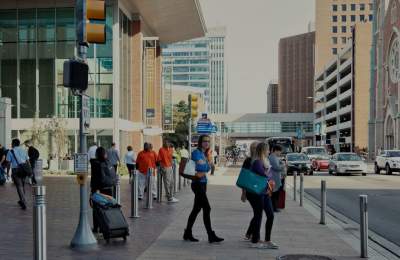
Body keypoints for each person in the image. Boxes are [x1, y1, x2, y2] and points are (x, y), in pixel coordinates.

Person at [183, 135, 224, 243]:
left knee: (196, 209)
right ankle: (210, 234)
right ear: (200, 142)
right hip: (197, 184)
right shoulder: (196, 153)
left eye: (208, 141)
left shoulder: (205, 154)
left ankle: (187, 233)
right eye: (204, 141)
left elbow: (208, 168)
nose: (206, 143)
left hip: (203, 183)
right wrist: (206, 165)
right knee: (207, 208)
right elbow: (203, 167)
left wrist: (207, 162)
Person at [247, 142, 278, 249]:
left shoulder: (265, 161)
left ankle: (267, 240)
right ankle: (254, 241)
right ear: (263, 150)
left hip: (264, 192)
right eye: (267, 149)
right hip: (256, 193)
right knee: (258, 215)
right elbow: (265, 175)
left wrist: (269, 174)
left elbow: (269, 174)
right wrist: (269, 174)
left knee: (270, 215)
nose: (269, 151)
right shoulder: (257, 162)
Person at [90, 146, 117, 233]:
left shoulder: (95, 164)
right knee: (107, 208)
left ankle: (96, 227)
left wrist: (93, 190)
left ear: (97, 154)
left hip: (98, 189)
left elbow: (94, 178)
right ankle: (106, 226)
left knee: (97, 209)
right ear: (105, 154)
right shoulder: (108, 163)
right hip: (109, 188)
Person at [240, 141, 259, 241]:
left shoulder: (262, 159)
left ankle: (249, 233)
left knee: (257, 213)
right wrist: (243, 193)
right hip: (250, 191)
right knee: (258, 213)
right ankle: (252, 235)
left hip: (259, 190)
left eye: (257, 148)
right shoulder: (248, 161)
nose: (255, 150)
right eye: (253, 148)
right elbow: (243, 177)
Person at [6, 139, 31, 210]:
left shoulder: (10, 151)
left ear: (13, 144)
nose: (11, 144)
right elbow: (27, 161)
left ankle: (23, 201)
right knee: (22, 185)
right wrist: (29, 170)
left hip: (16, 170)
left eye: (11, 143)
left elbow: (8, 163)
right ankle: (22, 199)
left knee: (19, 186)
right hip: (24, 169)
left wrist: (8, 172)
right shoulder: (23, 150)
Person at [268, 145, 284, 213]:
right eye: (280, 151)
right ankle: (274, 208)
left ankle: (274, 207)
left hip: (274, 178)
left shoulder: (274, 157)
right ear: (276, 150)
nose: (280, 153)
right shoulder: (272, 157)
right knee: (274, 194)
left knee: (274, 194)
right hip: (274, 178)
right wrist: (283, 166)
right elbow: (277, 167)